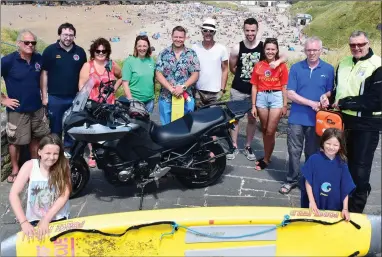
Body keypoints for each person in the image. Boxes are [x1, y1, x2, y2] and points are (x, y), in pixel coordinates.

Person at [320, 31, 381, 213]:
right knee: (340, 164)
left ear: (368, 43)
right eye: (353, 45)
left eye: (360, 44)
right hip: (342, 123)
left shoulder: (377, 65)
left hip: (366, 125)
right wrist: (328, 99)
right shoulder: (344, 63)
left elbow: (376, 100)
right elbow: (339, 91)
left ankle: (354, 212)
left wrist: (345, 103)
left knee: (359, 171)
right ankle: (340, 204)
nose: (356, 48)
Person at [279, 36, 335, 194]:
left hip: (317, 120)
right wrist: (311, 103)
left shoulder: (329, 69)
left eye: (315, 50)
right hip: (297, 117)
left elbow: (330, 90)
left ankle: (309, 181)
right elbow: (290, 93)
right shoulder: (296, 68)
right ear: (305, 50)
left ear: (320, 50)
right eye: (309, 50)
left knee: (313, 152)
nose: (312, 53)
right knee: (293, 151)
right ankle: (291, 179)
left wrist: (326, 96)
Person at [228, 18, 287, 161]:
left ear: (257, 30)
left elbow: (284, 56)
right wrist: (243, 76)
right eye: (247, 30)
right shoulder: (237, 47)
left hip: (257, 91)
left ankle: (248, 145)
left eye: (252, 30)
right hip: (238, 89)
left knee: (252, 120)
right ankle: (234, 145)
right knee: (234, 119)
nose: (250, 33)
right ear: (243, 30)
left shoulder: (263, 47)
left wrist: (277, 62)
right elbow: (232, 67)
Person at [1, 29, 50, 183]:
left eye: (33, 43)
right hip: (17, 110)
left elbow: (42, 74)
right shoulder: (8, 61)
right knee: (15, 141)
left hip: (36, 108)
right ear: (18, 44)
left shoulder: (38, 58)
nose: (30, 45)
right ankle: (16, 169)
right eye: (27, 42)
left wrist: (44, 95)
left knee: (36, 139)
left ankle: (35, 167)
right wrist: (3, 99)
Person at [9, 134, 71, 241]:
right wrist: (24, 222)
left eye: (55, 154)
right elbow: (13, 194)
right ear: (39, 152)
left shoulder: (64, 165)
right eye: (47, 153)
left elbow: (64, 195)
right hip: (34, 220)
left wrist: (47, 219)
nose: (51, 157)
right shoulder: (30, 166)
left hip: (58, 218)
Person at [40, 23, 87, 151]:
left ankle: (69, 152)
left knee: (72, 126)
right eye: (65, 34)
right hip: (55, 97)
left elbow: (84, 74)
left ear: (74, 36)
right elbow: (44, 73)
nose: (68, 38)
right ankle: (55, 151)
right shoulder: (50, 51)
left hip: (74, 97)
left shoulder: (80, 52)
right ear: (60, 34)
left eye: (71, 35)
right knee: (55, 128)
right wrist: (45, 96)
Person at [78, 37, 122, 167]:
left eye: (104, 51)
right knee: (93, 130)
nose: (101, 53)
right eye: (98, 51)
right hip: (93, 104)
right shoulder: (88, 66)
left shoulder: (111, 65)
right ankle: (93, 155)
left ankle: (108, 153)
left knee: (108, 129)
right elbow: (82, 86)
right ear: (93, 52)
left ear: (108, 52)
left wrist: (115, 88)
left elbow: (122, 76)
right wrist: (85, 103)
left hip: (109, 104)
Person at [250, 38, 289, 170]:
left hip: (276, 96)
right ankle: (267, 155)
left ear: (277, 50)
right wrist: (253, 105)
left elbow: (284, 86)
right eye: (268, 49)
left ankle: (266, 159)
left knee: (271, 130)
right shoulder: (259, 65)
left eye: (273, 49)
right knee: (265, 129)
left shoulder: (282, 65)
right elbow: (254, 86)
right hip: (261, 96)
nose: (270, 51)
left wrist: (285, 105)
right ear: (264, 50)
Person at [300, 128, 355, 221]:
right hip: (316, 203)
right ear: (323, 143)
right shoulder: (314, 159)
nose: (331, 147)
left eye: (335, 145)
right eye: (328, 143)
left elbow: (345, 187)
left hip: (333, 206)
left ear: (340, 146)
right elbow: (308, 181)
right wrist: (312, 201)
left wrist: (345, 208)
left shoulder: (342, 163)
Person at [155, 26, 200, 125]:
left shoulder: (191, 54)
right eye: (176, 37)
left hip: (186, 98)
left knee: (185, 128)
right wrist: (171, 89)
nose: (178, 39)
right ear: (171, 36)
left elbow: (195, 74)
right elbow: (158, 74)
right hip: (166, 98)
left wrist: (183, 87)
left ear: (185, 38)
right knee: (166, 129)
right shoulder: (163, 53)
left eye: (181, 37)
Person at [192, 17, 229, 109]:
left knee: (213, 120)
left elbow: (225, 69)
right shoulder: (194, 48)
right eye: (205, 30)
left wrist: (222, 90)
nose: (208, 33)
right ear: (202, 32)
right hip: (198, 90)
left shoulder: (222, 49)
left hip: (215, 92)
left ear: (214, 32)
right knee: (198, 118)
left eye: (211, 31)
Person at [122, 35, 155, 113]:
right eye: (139, 46)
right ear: (136, 47)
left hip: (150, 101)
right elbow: (125, 83)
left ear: (148, 47)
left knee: (147, 124)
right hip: (135, 102)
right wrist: (131, 101)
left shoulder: (151, 60)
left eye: (144, 46)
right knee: (136, 125)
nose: (142, 48)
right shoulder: (129, 62)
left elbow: (152, 80)